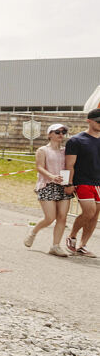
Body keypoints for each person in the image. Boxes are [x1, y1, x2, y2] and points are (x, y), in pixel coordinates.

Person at [27, 123, 72, 256]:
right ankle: (33, 232)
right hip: (47, 185)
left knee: (62, 217)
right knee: (50, 217)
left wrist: (69, 182)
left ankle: (56, 246)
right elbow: (39, 167)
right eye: (57, 132)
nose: (61, 135)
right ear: (49, 134)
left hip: (63, 185)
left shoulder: (65, 151)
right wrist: (52, 176)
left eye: (63, 132)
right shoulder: (43, 150)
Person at [64, 108, 100, 257]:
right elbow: (69, 165)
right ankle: (72, 236)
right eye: (98, 121)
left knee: (95, 215)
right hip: (82, 181)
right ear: (89, 121)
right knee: (89, 212)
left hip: (98, 182)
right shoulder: (76, 140)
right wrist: (68, 183)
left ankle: (82, 245)